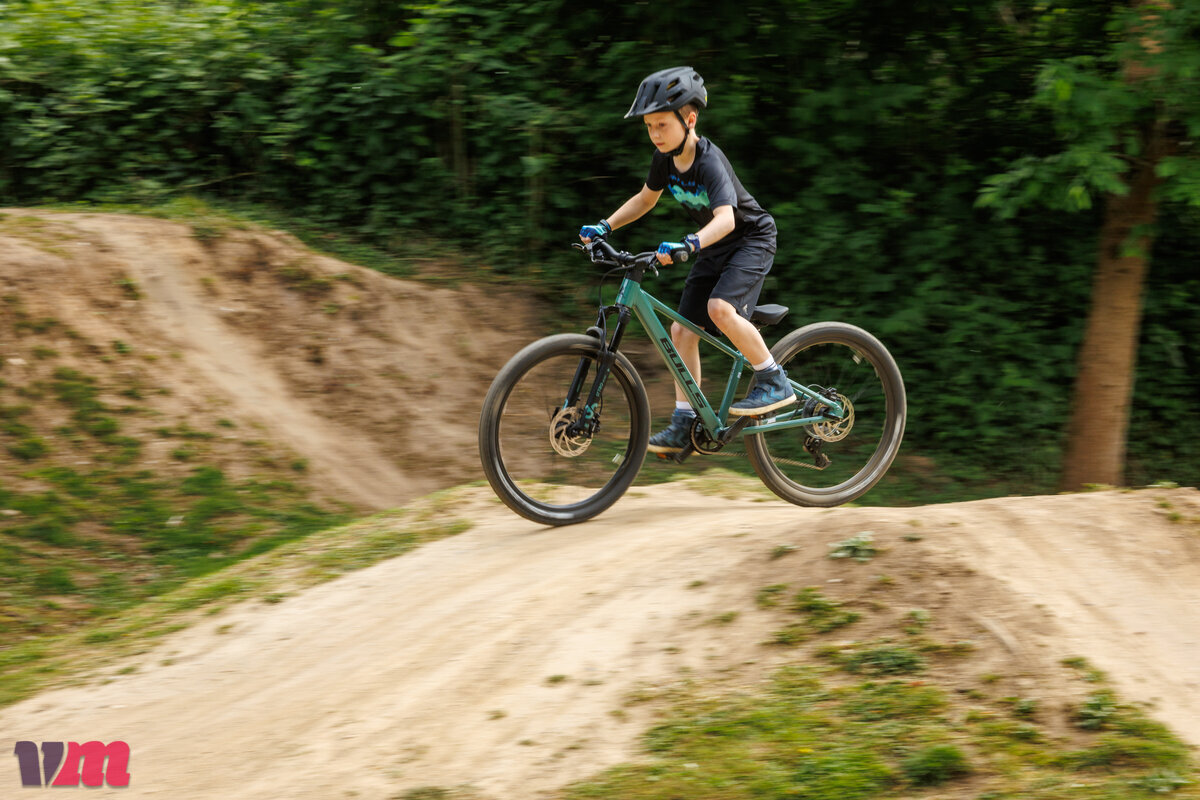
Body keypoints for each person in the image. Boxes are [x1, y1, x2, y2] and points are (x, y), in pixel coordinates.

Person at [579, 66, 795, 454]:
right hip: (713, 245)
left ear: (689, 120)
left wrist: (689, 244)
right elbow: (645, 199)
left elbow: (727, 219)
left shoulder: (708, 161)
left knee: (719, 309)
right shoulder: (663, 160)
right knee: (681, 332)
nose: (655, 134)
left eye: (662, 124)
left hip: (750, 239)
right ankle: (685, 420)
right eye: (649, 126)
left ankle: (773, 379)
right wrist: (604, 226)